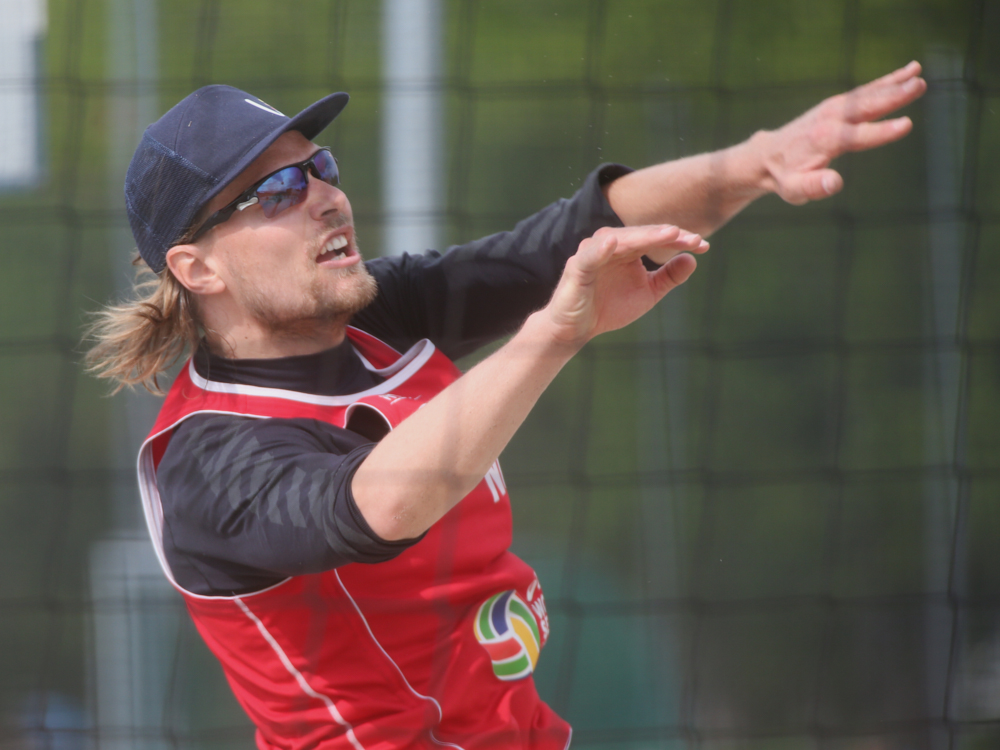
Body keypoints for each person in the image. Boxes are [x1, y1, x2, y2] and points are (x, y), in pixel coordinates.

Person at [86, 62, 926, 749]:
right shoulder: (203, 457)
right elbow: (376, 507)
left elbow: (567, 239)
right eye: (276, 192)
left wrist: (759, 161)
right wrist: (556, 332)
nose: (326, 197)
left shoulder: (378, 318)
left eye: (320, 169)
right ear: (197, 269)